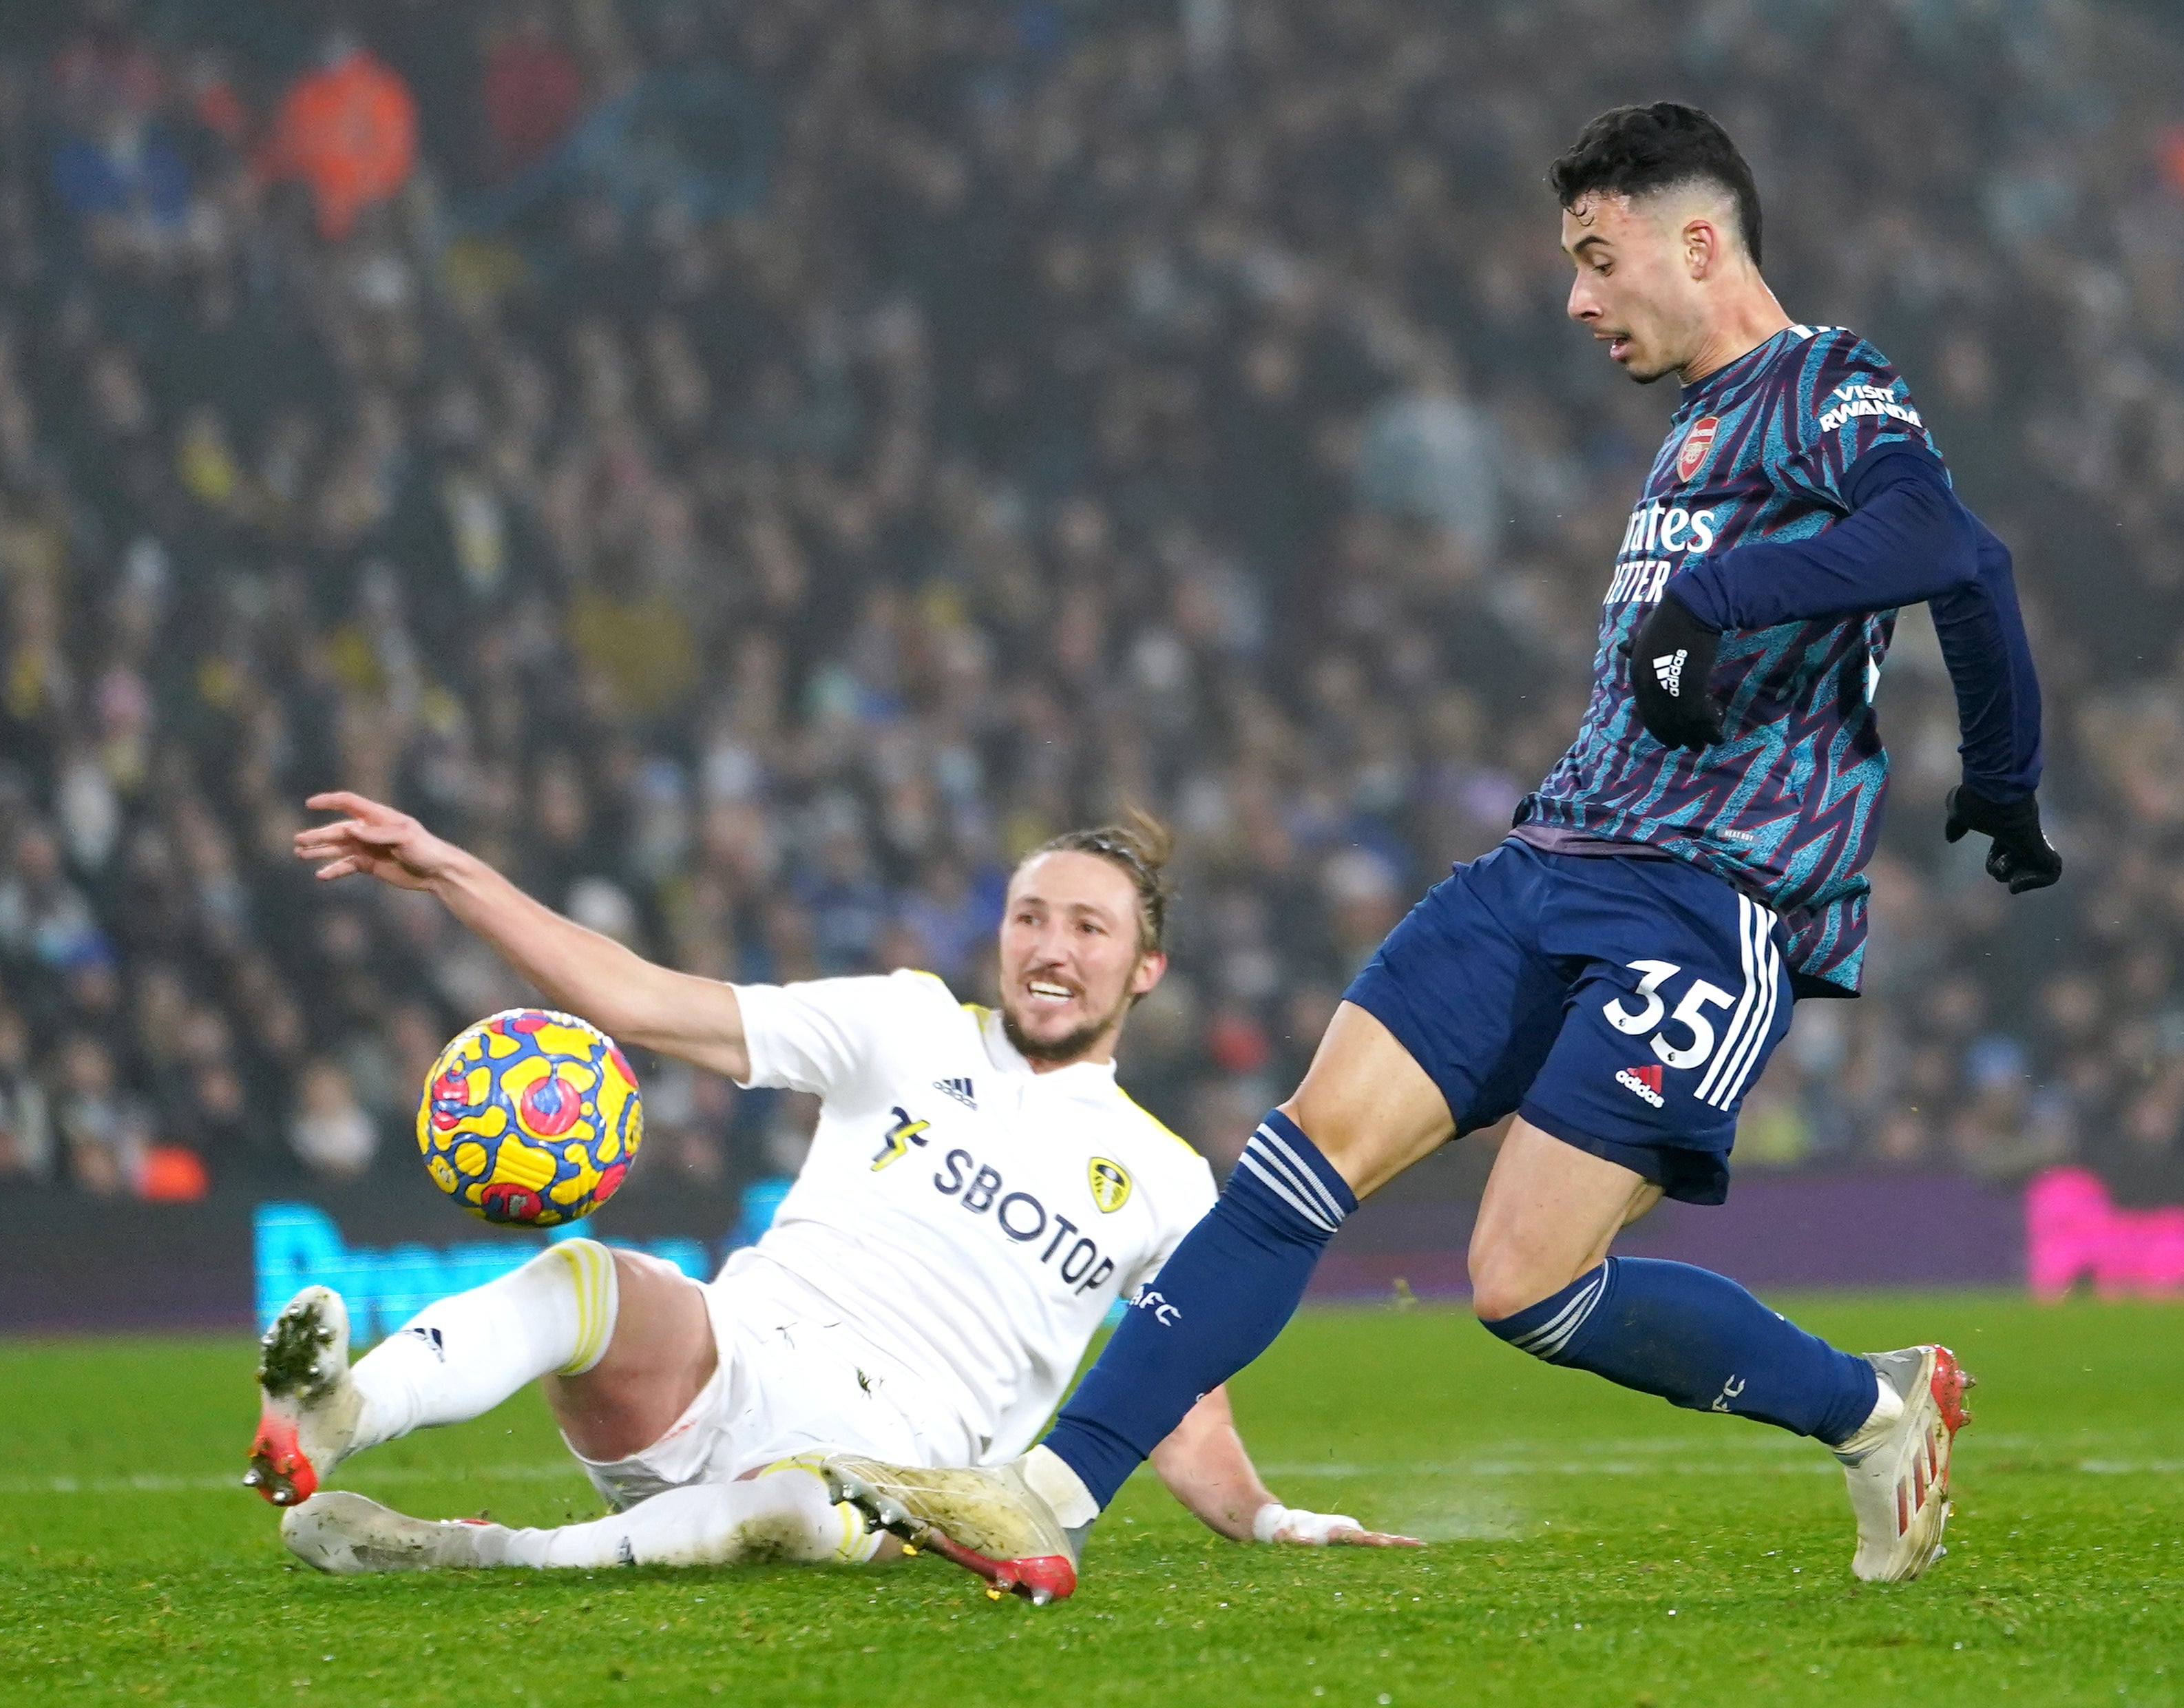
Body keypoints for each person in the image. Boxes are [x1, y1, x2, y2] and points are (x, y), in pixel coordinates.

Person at [821, 103, 2059, 1600]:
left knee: (1520, 1284)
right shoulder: (1696, 423)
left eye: (1596, 261)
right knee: (1294, 1161)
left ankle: (1872, 1407)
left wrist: (1970, 750)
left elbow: (1952, 553)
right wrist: (1980, 769)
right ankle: (1044, 1492)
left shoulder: (1825, 381)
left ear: (1697, 240)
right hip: (1541, 864)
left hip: (1704, 899)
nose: (1575, 300)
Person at [250, 792, 1414, 1587]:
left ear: (1144, 966)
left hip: (902, 1460)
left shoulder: (1163, 1178)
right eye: (1030, 917)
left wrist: (1272, 1517)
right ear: (1000, 934)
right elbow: (644, 1001)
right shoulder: (900, 1022)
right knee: (589, 1278)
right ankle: (338, 1414)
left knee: (800, 1507)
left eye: (1089, 927)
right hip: (737, 1352)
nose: (1052, 946)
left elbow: (1182, 1403)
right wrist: (450, 870)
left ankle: (491, 1557)